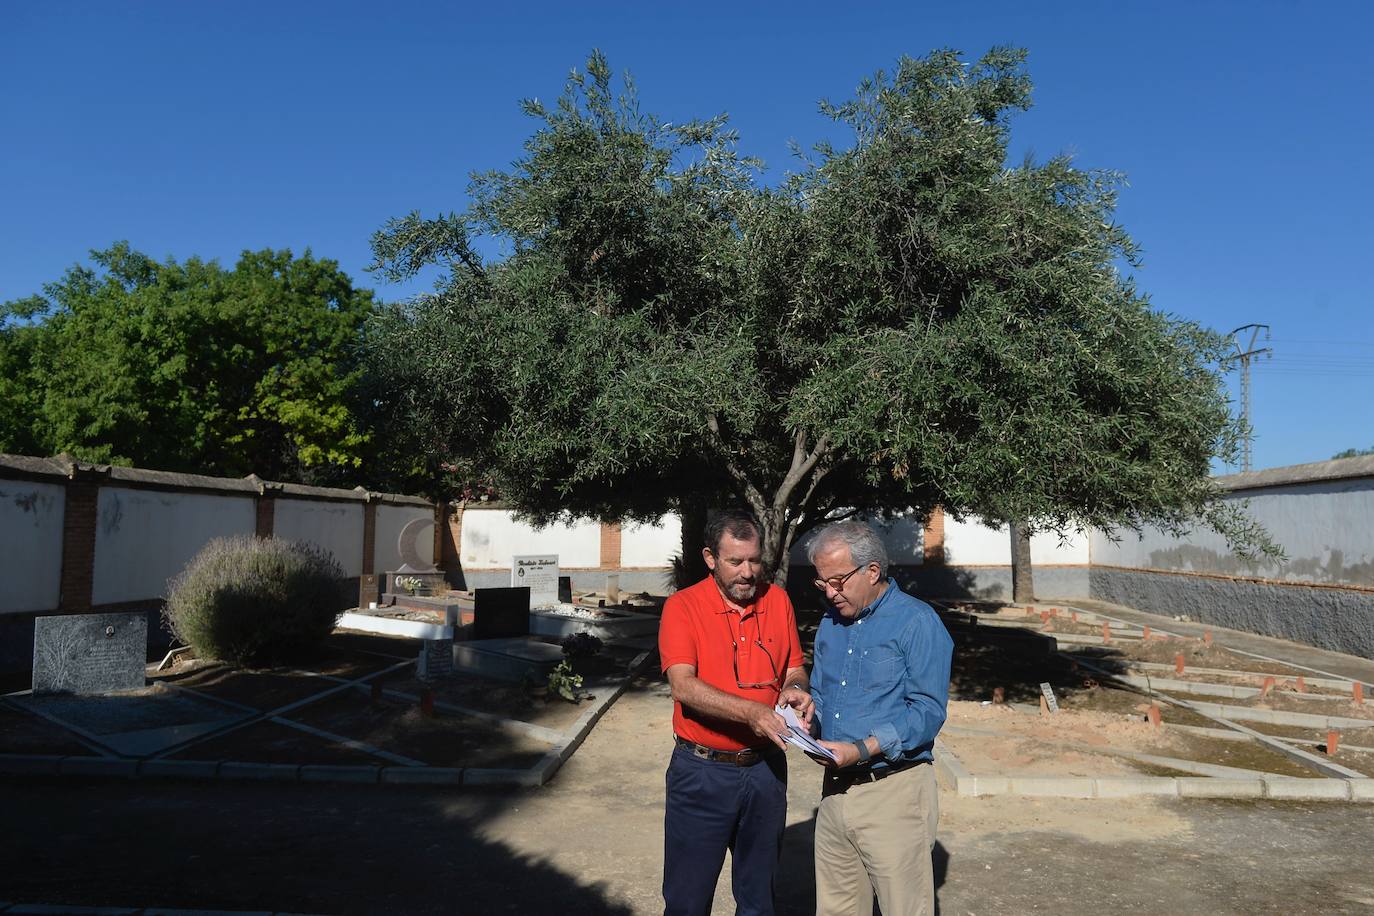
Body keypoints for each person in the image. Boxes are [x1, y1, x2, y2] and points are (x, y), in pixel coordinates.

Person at [658, 509, 814, 916]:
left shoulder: (778, 601)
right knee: (687, 902)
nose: (748, 572)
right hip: (702, 774)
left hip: (766, 771)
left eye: (755, 560)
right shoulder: (682, 606)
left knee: (759, 901)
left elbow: (793, 666)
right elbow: (682, 685)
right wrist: (752, 713)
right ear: (710, 558)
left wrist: (796, 689)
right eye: (735, 561)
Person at [805, 520, 954, 916]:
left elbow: (926, 712)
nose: (830, 593)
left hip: (894, 791)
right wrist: (806, 718)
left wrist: (862, 749)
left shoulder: (917, 622)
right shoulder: (830, 624)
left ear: (872, 571)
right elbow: (822, 694)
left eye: (837, 581)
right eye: (822, 583)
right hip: (835, 793)